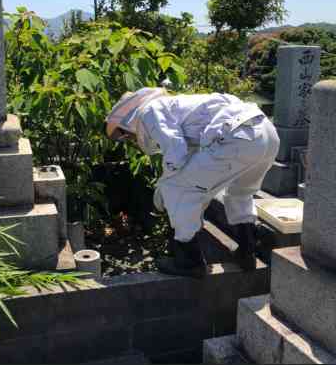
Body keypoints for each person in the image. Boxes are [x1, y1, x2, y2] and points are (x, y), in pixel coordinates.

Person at [105, 87, 280, 277]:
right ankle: (248, 251)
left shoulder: (149, 111)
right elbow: (191, 155)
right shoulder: (175, 106)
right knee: (240, 193)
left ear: (127, 118)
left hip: (237, 137)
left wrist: (164, 185)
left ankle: (190, 261)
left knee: (178, 189)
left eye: (122, 134)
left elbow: (176, 153)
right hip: (267, 135)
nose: (126, 138)